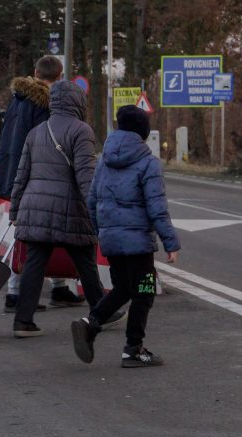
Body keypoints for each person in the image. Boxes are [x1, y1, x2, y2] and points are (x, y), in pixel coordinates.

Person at [72, 106, 180, 367]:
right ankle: (133, 349)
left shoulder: (104, 160)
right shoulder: (148, 163)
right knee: (144, 291)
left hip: (112, 241)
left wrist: (102, 231)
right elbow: (156, 207)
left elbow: (92, 200)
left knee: (122, 288)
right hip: (138, 245)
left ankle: (91, 323)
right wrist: (170, 242)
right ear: (144, 132)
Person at [8, 80, 108, 337]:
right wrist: (96, 212)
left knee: (34, 264)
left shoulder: (36, 131)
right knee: (85, 260)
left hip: (35, 207)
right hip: (69, 209)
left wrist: (16, 209)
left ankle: (23, 321)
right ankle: (102, 312)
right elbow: (87, 177)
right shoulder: (81, 131)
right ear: (77, 102)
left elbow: (22, 175)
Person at [0, 56, 81, 311]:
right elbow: (50, 144)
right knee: (41, 233)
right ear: (60, 76)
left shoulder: (18, 99)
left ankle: (55, 288)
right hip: (38, 176)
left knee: (34, 233)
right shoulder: (47, 104)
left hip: (15, 172)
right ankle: (16, 293)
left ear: (35, 72)